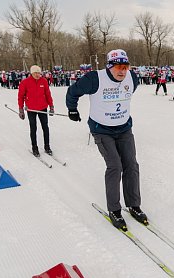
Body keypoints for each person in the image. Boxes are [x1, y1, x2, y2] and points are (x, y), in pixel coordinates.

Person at [65, 49, 146, 231]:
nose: (122, 71)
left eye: (125, 67)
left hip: (124, 128)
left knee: (131, 165)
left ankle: (134, 205)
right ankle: (115, 209)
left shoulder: (132, 78)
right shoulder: (95, 78)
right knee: (115, 166)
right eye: (118, 66)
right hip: (102, 130)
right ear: (109, 66)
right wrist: (72, 109)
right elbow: (73, 91)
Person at [18, 65, 54, 157]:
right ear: (32, 73)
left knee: (45, 127)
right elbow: (21, 96)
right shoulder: (25, 82)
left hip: (43, 108)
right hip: (31, 109)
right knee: (33, 128)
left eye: (39, 73)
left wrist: (51, 106)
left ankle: (47, 146)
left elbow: (48, 94)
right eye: (36, 73)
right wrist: (21, 109)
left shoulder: (44, 81)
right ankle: (35, 147)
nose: (38, 75)